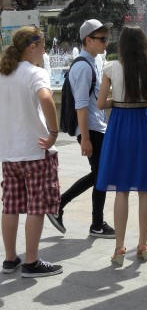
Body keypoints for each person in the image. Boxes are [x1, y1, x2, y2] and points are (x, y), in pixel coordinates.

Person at [96, 26, 147, 265]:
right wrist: (144, 108)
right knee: (144, 187)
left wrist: (118, 102)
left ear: (122, 45)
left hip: (119, 126)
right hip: (142, 126)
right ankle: (143, 244)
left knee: (122, 188)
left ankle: (119, 248)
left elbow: (100, 104)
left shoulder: (111, 68)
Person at [0, 26, 63, 278]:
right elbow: (46, 98)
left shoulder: (3, 73)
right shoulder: (35, 73)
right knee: (37, 206)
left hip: (10, 153)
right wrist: (53, 132)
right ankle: (31, 262)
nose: (44, 52)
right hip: (36, 150)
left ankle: (10, 259)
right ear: (32, 47)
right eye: (43, 47)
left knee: (10, 206)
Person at [47, 19, 115, 237]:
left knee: (101, 175)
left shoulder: (92, 62)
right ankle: (62, 205)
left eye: (106, 38)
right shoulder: (84, 67)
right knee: (101, 174)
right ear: (88, 40)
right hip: (91, 130)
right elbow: (81, 106)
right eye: (102, 39)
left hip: (96, 128)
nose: (106, 42)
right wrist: (84, 137)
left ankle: (95, 222)